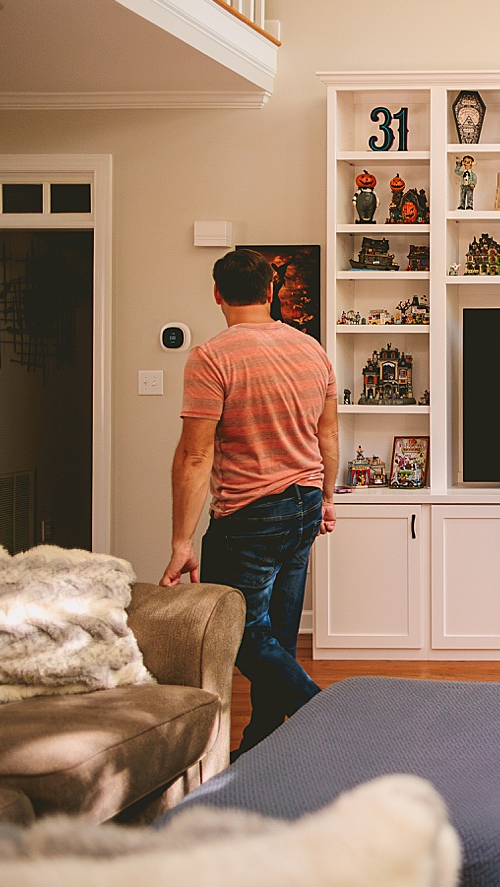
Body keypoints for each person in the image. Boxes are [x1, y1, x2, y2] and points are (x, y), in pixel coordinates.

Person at [160, 249, 339, 758]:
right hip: (304, 504)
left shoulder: (212, 356)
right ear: (271, 293)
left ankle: (325, 713)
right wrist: (326, 498)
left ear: (217, 295)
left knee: (237, 635)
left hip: (250, 516)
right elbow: (328, 433)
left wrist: (180, 541)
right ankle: (263, 748)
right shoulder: (312, 349)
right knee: (275, 637)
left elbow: (196, 454)